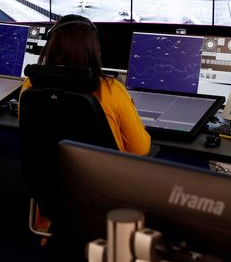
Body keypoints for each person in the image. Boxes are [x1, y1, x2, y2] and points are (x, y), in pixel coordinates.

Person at [20, 14, 151, 156]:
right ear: (94, 48)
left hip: (50, 175)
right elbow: (140, 150)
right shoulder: (110, 89)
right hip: (103, 176)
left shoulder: (31, 84)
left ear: (50, 46)